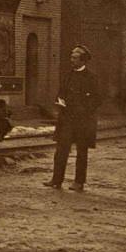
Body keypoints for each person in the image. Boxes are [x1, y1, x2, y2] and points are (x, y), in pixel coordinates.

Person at [44, 45, 102, 192]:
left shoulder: (91, 77)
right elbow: (61, 92)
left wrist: (84, 109)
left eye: (75, 58)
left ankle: (79, 182)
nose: (72, 60)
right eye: (71, 57)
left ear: (83, 60)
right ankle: (56, 180)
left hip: (83, 121)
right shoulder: (68, 75)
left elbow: (97, 99)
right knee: (61, 150)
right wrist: (59, 100)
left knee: (82, 152)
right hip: (67, 119)